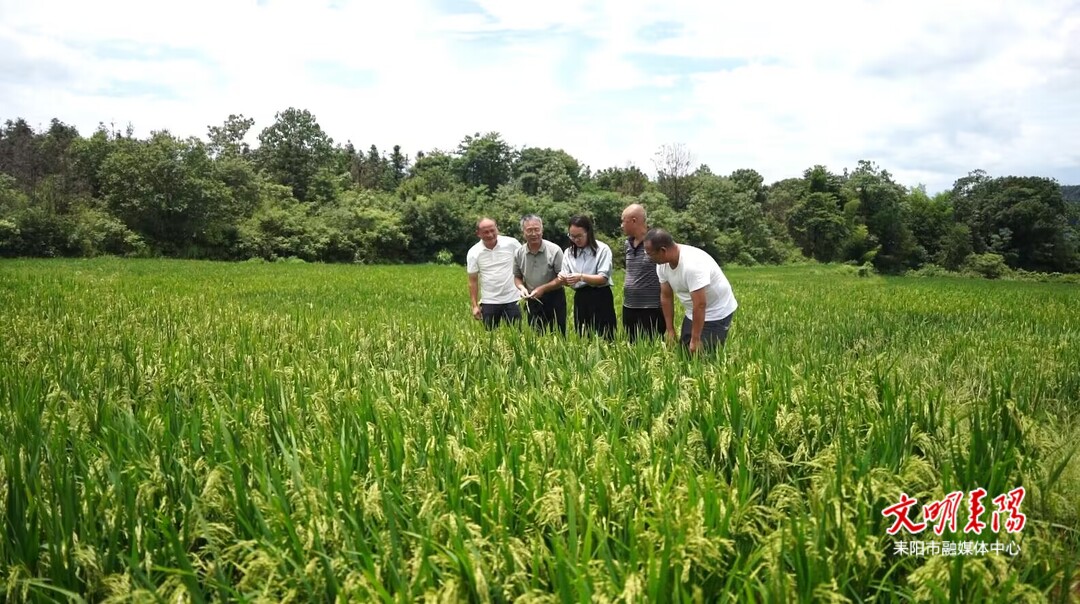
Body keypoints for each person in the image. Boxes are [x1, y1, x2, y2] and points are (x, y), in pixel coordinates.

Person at [643, 228, 738, 353]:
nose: (648, 258)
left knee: (703, 354)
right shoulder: (662, 265)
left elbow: (700, 304)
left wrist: (696, 339)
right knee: (685, 352)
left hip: (717, 311)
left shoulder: (692, 265)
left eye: (650, 254)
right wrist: (670, 329)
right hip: (693, 311)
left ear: (663, 250)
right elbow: (666, 297)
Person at [559, 215, 617, 340]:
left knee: (606, 336)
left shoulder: (602, 249)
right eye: (572, 236)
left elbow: (603, 278)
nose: (576, 240)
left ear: (588, 233)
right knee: (584, 336)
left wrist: (581, 277)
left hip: (600, 296)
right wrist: (563, 278)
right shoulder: (568, 253)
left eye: (579, 236)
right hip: (581, 297)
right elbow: (566, 278)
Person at [513, 214, 567, 335]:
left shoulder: (555, 250)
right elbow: (517, 277)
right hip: (532, 299)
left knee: (558, 334)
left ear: (542, 230)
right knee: (535, 336)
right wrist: (522, 289)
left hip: (554, 297)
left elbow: (562, 278)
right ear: (523, 232)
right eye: (529, 230)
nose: (533, 234)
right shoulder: (519, 252)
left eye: (536, 229)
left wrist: (543, 288)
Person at [467, 217, 522, 329]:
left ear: (497, 228)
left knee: (517, 335)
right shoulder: (474, 252)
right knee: (489, 337)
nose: (490, 234)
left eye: (493, 230)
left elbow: (524, 263)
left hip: (513, 299)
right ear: (478, 234)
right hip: (489, 301)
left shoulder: (511, 243)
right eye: (486, 232)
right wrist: (474, 306)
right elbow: (473, 281)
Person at [620, 203, 664, 343]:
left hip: (651, 308)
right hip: (629, 306)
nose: (621, 225)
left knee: (652, 347)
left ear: (634, 220)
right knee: (632, 348)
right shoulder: (627, 243)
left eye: (623, 220)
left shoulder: (656, 241)